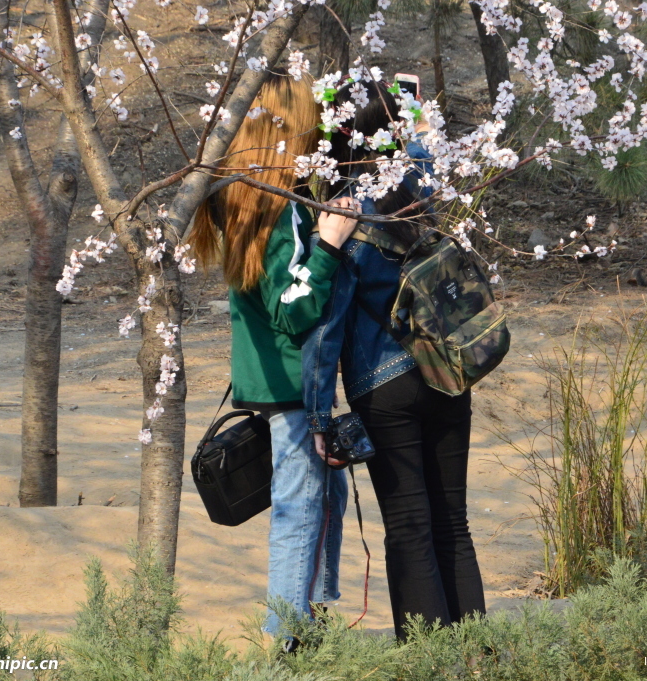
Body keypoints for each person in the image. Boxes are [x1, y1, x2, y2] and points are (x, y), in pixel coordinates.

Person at [302, 81, 486, 640]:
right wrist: (413, 106)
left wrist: (317, 415)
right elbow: (424, 146)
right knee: (452, 521)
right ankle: (476, 655)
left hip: (384, 386)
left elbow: (326, 330)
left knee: (409, 525)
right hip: (448, 370)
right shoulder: (421, 188)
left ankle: (428, 662)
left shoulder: (341, 215)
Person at [189, 68, 359, 645]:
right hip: (291, 378)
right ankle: (291, 637)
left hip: (264, 375)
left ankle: (309, 617)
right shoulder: (275, 206)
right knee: (300, 506)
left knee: (321, 496)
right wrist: (331, 246)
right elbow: (293, 308)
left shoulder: (235, 195)